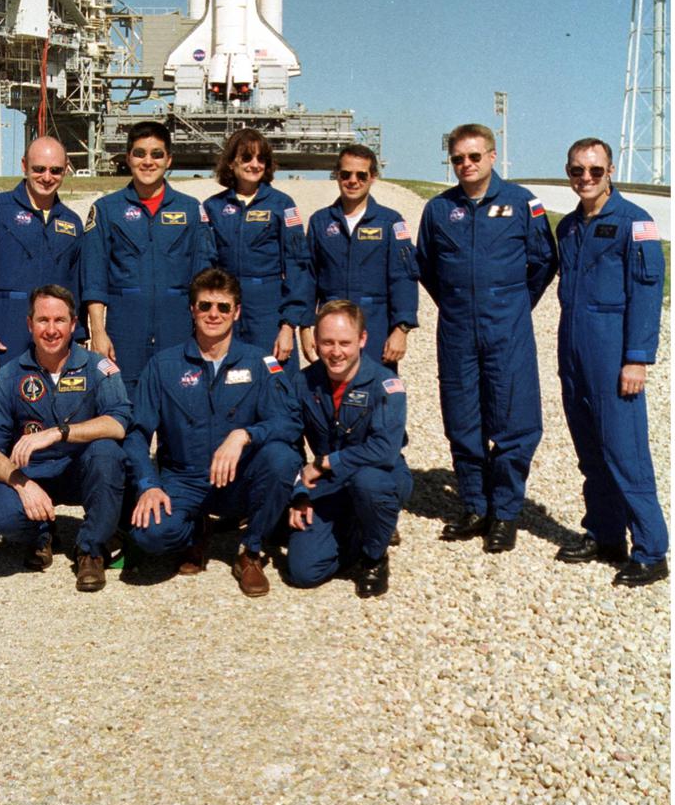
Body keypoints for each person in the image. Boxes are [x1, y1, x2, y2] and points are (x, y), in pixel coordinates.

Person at [416, 123, 557, 553]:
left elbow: (543, 262)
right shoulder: (439, 210)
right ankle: (475, 505)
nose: (466, 165)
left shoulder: (520, 203)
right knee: (463, 419)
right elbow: (427, 267)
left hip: (507, 327)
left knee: (514, 419)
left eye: (474, 156)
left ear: (492, 157)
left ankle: (505, 512)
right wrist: (461, 304)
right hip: (457, 327)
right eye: (458, 158)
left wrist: (512, 304)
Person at [125, 269, 301, 596]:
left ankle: (250, 551)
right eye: (205, 306)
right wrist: (148, 485)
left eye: (223, 307)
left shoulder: (260, 362)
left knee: (283, 458)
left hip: (241, 478)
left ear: (236, 312)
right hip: (186, 478)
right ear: (192, 309)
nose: (213, 314)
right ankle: (195, 531)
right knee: (149, 535)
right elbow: (136, 434)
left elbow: (289, 422)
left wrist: (244, 435)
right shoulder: (163, 366)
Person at [0, 136, 83, 567]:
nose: (46, 177)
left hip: (50, 342)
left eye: (55, 170)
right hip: (3, 336)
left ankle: (38, 526)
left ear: (65, 171)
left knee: (41, 428)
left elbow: (76, 291)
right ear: (24, 165)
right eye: (38, 169)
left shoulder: (71, 222)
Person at [554, 138, 668, 587]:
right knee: (590, 449)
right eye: (577, 170)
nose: (585, 178)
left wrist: (636, 359)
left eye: (595, 171)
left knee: (625, 450)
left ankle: (651, 549)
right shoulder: (569, 227)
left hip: (613, 350)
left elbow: (646, 293)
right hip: (574, 349)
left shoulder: (634, 222)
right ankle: (604, 533)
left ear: (611, 170)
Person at [0, 285, 130, 591]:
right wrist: (23, 484)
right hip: (34, 473)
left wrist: (59, 433)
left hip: (82, 470)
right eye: (42, 320)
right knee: (4, 514)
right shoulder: (10, 376)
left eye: (59, 321)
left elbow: (118, 423)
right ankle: (41, 534)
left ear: (74, 325)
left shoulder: (98, 367)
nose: (51, 330)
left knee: (107, 453)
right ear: (29, 324)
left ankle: (91, 550)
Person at [286, 301, 412, 598]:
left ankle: (374, 557)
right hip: (330, 484)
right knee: (304, 572)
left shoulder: (386, 384)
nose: (336, 352)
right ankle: (358, 529)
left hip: (381, 476)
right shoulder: (303, 382)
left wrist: (325, 462)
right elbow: (289, 440)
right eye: (327, 342)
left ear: (363, 340)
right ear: (315, 341)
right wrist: (298, 492)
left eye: (345, 342)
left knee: (367, 482)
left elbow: (384, 450)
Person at [82, 121, 217, 392]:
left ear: (169, 160)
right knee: (125, 421)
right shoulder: (106, 210)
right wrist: (98, 333)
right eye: (140, 153)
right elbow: (94, 278)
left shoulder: (191, 211)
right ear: (128, 157)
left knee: (181, 423)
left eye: (157, 154)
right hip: (124, 336)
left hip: (178, 332)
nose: (148, 161)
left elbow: (205, 280)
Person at [301, 144, 419, 372]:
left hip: (376, 325)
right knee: (328, 397)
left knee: (376, 397)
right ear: (337, 176)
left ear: (372, 177)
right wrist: (305, 327)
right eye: (346, 174)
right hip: (331, 328)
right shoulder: (320, 222)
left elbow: (403, 278)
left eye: (361, 175)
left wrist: (401, 329)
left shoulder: (391, 222)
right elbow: (308, 278)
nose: (352, 181)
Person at [204, 129, 311, 376]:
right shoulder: (213, 206)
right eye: (247, 158)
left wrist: (288, 325)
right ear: (231, 162)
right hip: (226, 308)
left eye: (261, 159)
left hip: (268, 309)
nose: (255, 164)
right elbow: (205, 265)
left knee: (276, 380)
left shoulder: (282, 204)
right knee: (229, 378)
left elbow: (298, 266)